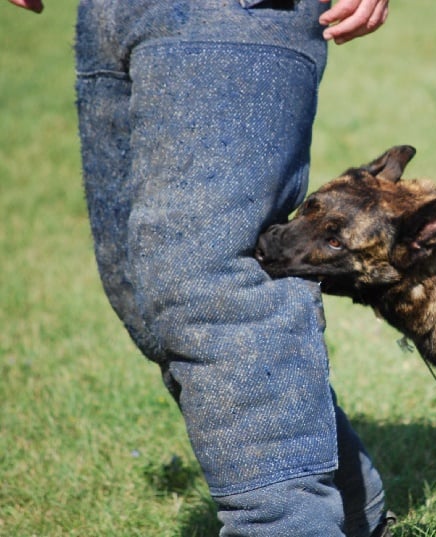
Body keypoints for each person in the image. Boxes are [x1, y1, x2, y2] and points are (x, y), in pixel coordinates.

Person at [8, 0, 393, 536]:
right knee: (141, 289)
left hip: (238, 12)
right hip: (111, 14)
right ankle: (352, 510)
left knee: (210, 290)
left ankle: (287, 523)